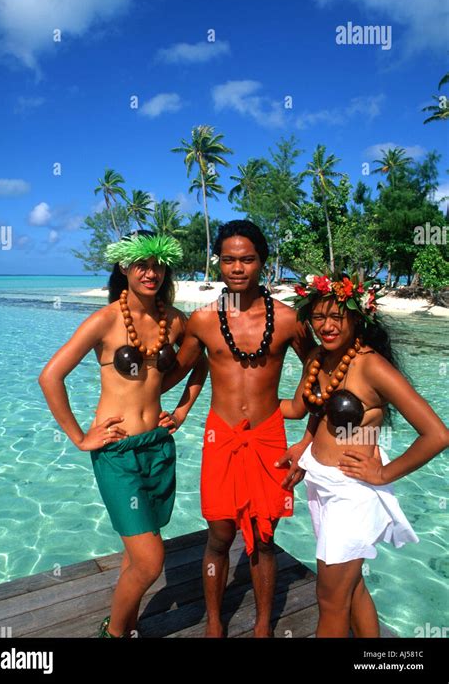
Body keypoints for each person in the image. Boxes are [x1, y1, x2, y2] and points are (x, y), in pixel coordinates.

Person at [38, 231, 208, 638]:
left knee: (138, 556)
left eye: (158, 265)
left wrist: (183, 409)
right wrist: (81, 437)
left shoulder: (172, 319)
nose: (151, 273)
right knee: (151, 560)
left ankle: (125, 626)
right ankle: (113, 635)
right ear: (124, 267)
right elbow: (50, 377)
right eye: (141, 265)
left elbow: (199, 362)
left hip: (155, 446)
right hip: (117, 453)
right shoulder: (105, 320)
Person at [158, 220, 316, 637]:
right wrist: (145, 362)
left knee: (264, 535)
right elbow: (176, 372)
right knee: (220, 533)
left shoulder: (287, 320)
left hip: (268, 437)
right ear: (220, 263)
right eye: (228, 259)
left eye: (247, 259)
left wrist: (301, 419)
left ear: (262, 262)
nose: (237, 268)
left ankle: (263, 624)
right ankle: (214, 622)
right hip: (221, 435)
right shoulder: (204, 320)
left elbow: (321, 370)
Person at [278, 273, 449, 637]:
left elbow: (437, 434)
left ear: (356, 317)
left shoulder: (371, 366)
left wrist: (384, 474)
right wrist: (301, 445)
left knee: (329, 599)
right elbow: (311, 410)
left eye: (336, 317)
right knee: (351, 588)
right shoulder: (317, 358)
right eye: (318, 318)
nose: (326, 326)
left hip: (352, 493)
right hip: (320, 483)